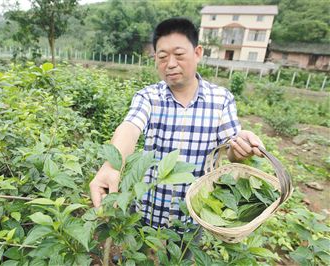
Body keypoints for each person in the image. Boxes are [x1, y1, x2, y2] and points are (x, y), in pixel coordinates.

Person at [90, 17, 263, 231]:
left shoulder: (221, 99)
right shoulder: (148, 97)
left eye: (179, 55)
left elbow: (230, 150)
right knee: (142, 253)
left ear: (198, 52)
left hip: (192, 213)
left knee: (183, 256)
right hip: (148, 208)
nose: (170, 64)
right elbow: (130, 127)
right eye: (162, 57)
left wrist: (241, 147)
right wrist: (111, 166)